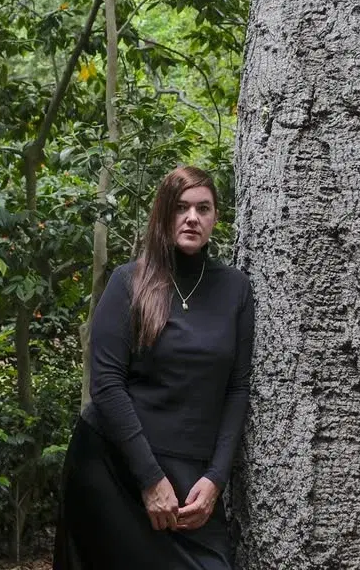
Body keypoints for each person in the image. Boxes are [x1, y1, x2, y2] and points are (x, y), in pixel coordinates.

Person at [53, 166, 254, 570]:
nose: (192, 218)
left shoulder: (235, 287)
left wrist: (216, 479)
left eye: (203, 208)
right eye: (181, 208)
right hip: (114, 468)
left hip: (191, 477)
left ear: (216, 218)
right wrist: (149, 479)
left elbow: (238, 388)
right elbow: (106, 384)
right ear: (163, 215)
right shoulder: (130, 281)